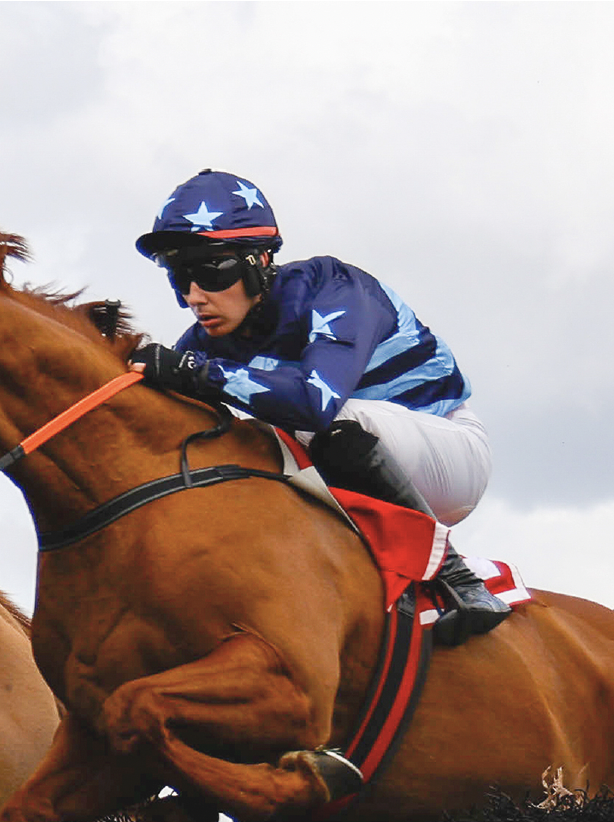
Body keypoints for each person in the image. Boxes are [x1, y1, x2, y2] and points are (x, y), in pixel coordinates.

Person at [127, 168, 508, 645]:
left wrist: (200, 374)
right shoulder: (203, 342)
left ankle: (459, 581)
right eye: (179, 277)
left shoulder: (336, 288)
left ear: (260, 260)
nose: (194, 296)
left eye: (211, 272)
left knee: (322, 426)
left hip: (449, 455)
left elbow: (315, 404)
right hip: (357, 471)